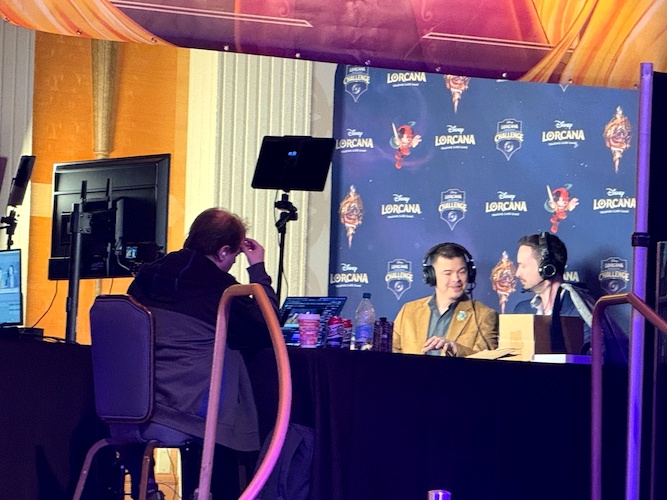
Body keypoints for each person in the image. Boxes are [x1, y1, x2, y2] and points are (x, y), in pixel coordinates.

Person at [126, 207, 279, 500]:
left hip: (134, 405)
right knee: (238, 385)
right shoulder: (222, 291)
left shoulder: (145, 277)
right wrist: (257, 268)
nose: (233, 263)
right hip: (193, 413)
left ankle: (147, 487)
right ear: (223, 251)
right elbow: (267, 329)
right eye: (234, 256)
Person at [513, 231, 628, 363]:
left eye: (523, 266)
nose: (517, 273)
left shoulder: (579, 311)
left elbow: (592, 360)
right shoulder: (522, 310)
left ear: (547, 268)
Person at [392, 242, 498, 357]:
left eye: (462, 272)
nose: (456, 279)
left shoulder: (484, 316)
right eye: (448, 273)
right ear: (431, 276)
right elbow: (390, 353)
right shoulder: (408, 311)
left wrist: (456, 349)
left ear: (470, 274)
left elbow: (486, 360)